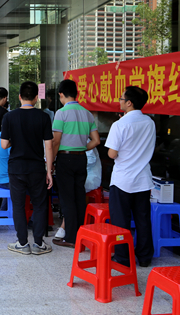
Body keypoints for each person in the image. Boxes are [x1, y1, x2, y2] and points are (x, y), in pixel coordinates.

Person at [1, 81, 54, 255]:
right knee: (39, 204)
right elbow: (49, 146)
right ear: (36, 98)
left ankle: (22, 243)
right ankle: (38, 243)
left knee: (18, 205)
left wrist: (15, 140)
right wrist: (49, 171)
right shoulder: (44, 117)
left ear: (19, 97)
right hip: (37, 167)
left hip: (16, 167)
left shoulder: (9, 117)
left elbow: (4, 144)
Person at [105, 86, 155, 268]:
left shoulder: (120, 124)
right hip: (143, 179)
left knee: (121, 221)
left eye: (121, 98)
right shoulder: (150, 122)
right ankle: (145, 257)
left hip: (122, 180)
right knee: (143, 220)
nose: (119, 101)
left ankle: (123, 257)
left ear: (129, 103)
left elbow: (112, 154)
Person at [51, 79, 100, 249]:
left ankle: (71, 238)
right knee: (79, 196)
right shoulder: (87, 113)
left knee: (67, 199)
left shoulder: (61, 113)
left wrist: (51, 161)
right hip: (81, 159)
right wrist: (81, 147)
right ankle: (80, 234)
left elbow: (56, 141)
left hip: (65, 159)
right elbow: (96, 140)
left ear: (61, 94)